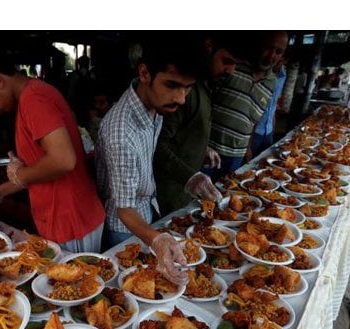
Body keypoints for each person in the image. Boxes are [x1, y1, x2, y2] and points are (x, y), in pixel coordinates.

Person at [0, 55, 106, 253]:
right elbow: (40, 167)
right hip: (62, 218)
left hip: (70, 220)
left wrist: (19, 174)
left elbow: (63, 160)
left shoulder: (34, 99)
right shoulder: (30, 98)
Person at [95, 39, 203, 284]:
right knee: (135, 284)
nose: (181, 98)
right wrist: (156, 238)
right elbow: (124, 208)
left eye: (187, 88)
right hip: (124, 227)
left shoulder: (155, 106)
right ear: (144, 73)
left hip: (147, 209)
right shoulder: (121, 132)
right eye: (172, 85)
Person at [154, 32, 242, 215]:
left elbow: (185, 132)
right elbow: (157, 144)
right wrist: (190, 176)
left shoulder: (204, 85)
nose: (230, 70)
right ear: (209, 47)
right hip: (168, 195)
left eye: (235, 64)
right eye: (226, 61)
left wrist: (203, 149)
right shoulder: (185, 91)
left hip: (185, 194)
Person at [205, 31, 287, 182]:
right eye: (268, 48)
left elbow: (254, 119)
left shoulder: (272, 82)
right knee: (197, 200)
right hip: (208, 151)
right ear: (259, 45)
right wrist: (202, 145)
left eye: (278, 51)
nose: (271, 56)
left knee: (223, 198)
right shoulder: (233, 65)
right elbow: (206, 101)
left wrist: (247, 148)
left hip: (236, 155)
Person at [251, 56, 287, 158]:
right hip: (255, 131)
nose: (275, 61)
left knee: (265, 160)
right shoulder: (261, 74)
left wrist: (273, 126)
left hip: (269, 130)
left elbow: (274, 104)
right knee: (248, 161)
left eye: (280, 60)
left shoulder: (282, 76)